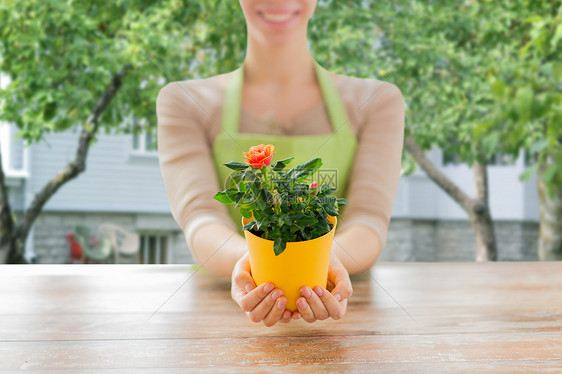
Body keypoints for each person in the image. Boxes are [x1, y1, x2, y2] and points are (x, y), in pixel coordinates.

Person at [156, 0, 405, 327]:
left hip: (344, 313)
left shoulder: (378, 101)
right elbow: (201, 219)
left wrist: (320, 265)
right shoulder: (183, 101)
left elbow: (369, 219)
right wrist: (256, 268)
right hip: (222, 316)